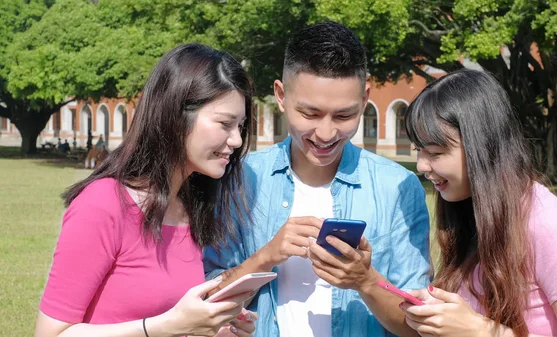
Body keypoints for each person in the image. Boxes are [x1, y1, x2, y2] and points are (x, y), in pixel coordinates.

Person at [204, 21, 431, 337]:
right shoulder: (241, 180)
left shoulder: (398, 188)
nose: (326, 133)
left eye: (344, 116)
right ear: (281, 96)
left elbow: (418, 326)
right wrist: (266, 256)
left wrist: (365, 280)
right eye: (310, 114)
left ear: (365, 99)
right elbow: (206, 300)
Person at [34, 43, 259, 337]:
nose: (237, 140)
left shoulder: (189, 207)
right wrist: (168, 326)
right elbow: (50, 334)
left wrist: (210, 329)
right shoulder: (103, 204)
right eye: (225, 124)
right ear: (176, 116)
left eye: (240, 126)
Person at [400, 69, 557, 336]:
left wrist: (480, 331)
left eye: (435, 153)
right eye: (418, 150)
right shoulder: (469, 210)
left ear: (481, 145)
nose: (422, 165)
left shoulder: (545, 223)